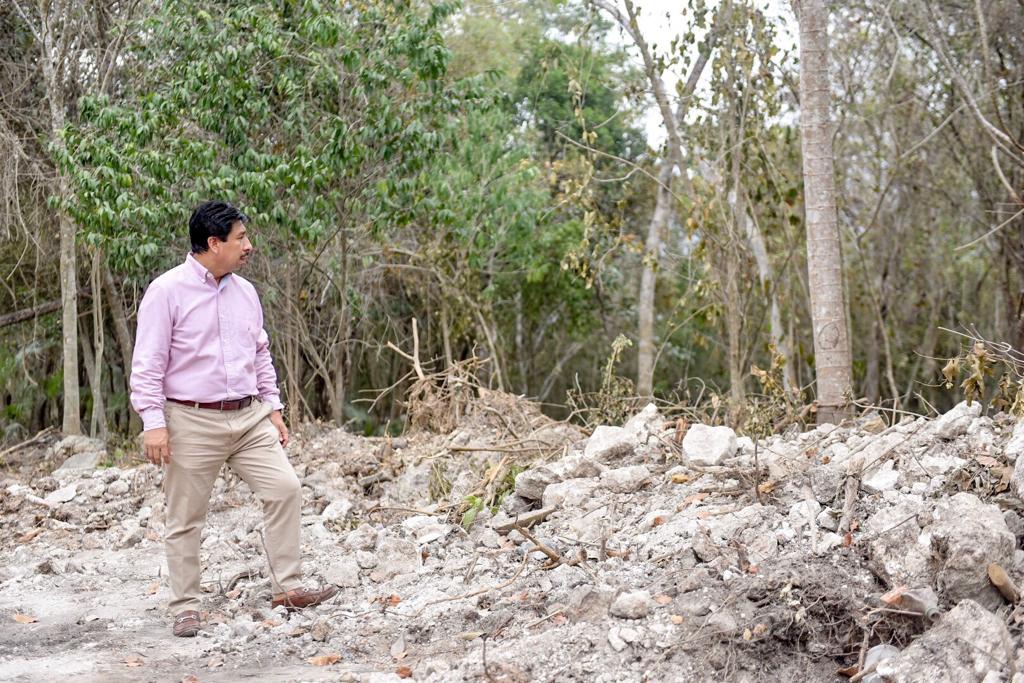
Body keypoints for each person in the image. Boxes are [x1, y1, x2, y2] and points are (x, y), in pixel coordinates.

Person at [130, 200, 336, 637]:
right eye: (240, 238)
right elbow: (148, 362)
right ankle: (185, 606)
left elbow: (259, 353)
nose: (248, 246)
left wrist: (274, 408)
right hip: (190, 419)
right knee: (185, 516)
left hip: (248, 417)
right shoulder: (166, 291)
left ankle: (288, 588)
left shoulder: (246, 292)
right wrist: (153, 422)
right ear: (213, 243)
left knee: (285, 489)